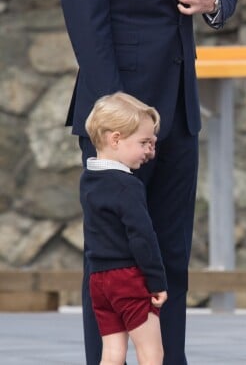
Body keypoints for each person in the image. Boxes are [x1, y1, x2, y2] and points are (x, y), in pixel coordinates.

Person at [58, 0, 238, 364]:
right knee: (111, 266)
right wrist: (120, 126)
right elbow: (90, 35)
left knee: (170, 261)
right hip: (116, 126)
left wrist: (213, 1)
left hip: (179, 118)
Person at [82, 92, 167, 365]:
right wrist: (157, 282)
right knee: (152, 352)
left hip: (98, 279)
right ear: (115, 139)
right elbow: (142, 237)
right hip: (127, 279)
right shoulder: (128, 186)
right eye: (144, 142)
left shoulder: (90, 179)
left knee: (112, 352)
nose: (149, 152)